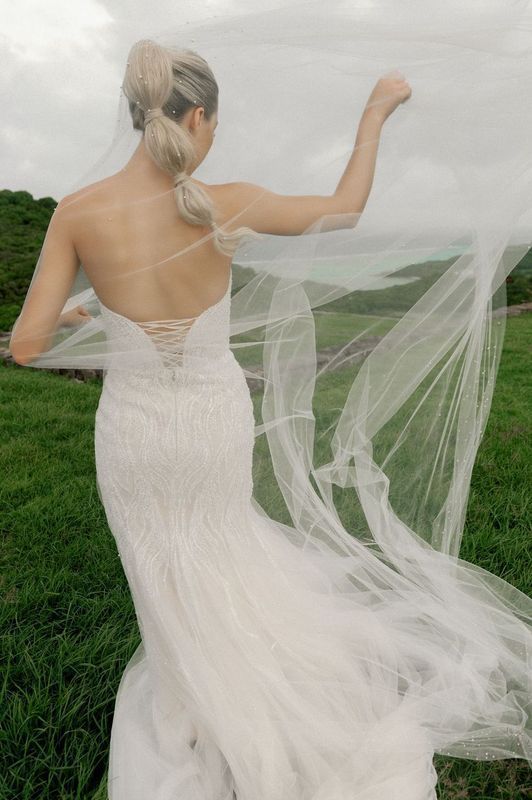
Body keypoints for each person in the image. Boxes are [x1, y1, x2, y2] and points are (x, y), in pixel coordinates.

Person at [8, 28, 532, 800]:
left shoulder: (78, 212)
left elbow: (23, 345)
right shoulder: (225, 203)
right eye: (213, 124)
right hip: (212, 421)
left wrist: (89, 319)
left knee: (158, 566)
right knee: (222, 548)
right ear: (195, 120)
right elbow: (347, 210)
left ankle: (190, 709)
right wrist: (376, 114)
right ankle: (251, 680)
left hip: (135, 433)